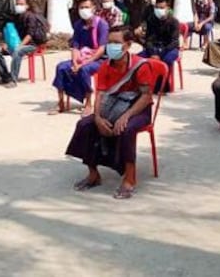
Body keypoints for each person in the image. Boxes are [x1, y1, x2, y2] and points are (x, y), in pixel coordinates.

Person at [65, 26, 155, 200]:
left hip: (138, 109)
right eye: (109, 42)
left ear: (128, 45)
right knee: (85, 125)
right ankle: (93, 174)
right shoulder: (106, 66)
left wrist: (126, 115)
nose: (111, 46)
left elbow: (146, 96)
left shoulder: (141, 65)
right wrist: (98, 117)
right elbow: (100, 94)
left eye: (116, 43)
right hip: (111, 107)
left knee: (126, 129)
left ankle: (130, 178)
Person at [52, 0, 109, 115]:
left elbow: (101, 49)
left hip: (98, 59)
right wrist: (74, 62)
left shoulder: (102, 24)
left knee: (84, 70)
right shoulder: (78, 24)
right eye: (81, 7)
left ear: (93, 8)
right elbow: (75, 46)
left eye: (87, 7)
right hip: (81, 57)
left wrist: (83, 63)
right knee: (61, 67)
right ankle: (61, 102)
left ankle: (88, 103)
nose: (84, 10)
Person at [0, 0, 47, 88]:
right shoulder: (17, 17)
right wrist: (6, 43)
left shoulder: (31, 17)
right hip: (17, 43)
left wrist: (19, 45)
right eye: (17, 4)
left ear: (27, 5)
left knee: (18, 51)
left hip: (31, 45)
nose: (19, 6)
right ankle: (5, 77)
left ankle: (13, 80)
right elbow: (12, 34)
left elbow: (30, 34)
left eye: (21, 4)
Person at [137, 0, 180, 92]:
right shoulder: (151, 20)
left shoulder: (174, 22)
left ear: (167, 8)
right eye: (157, 8)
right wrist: (153, 52)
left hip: (169, 48)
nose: (159, 10)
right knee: (138, 59)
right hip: (154, 48)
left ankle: (163, 86)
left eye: (161, 8)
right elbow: (148, 39)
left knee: (167, 60)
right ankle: (141, 84)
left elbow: (174, 41)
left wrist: (160, 53)